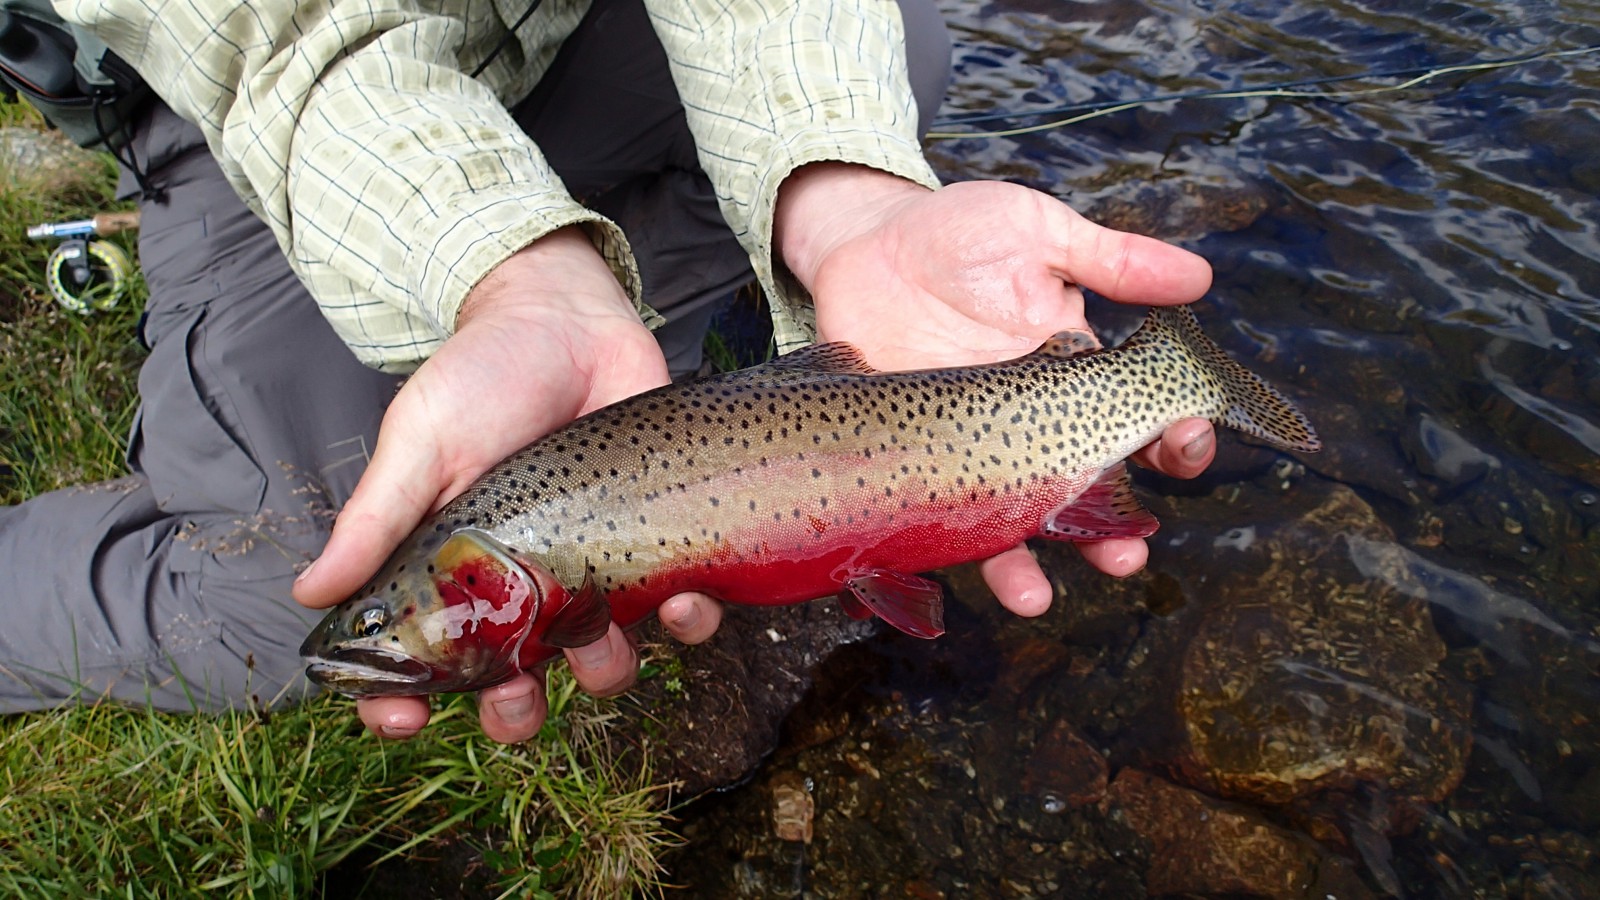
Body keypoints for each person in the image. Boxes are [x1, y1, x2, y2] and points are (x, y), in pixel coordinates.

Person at [1, 0, 1216, 744]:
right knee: (284, 595)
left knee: (889, 39)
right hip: (257, 97)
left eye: (398, 625)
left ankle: (643, 321)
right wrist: (508, 270)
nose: (382, 634)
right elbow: (283, 40)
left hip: (575, 22)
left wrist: (840, 191)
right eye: (399, 626)